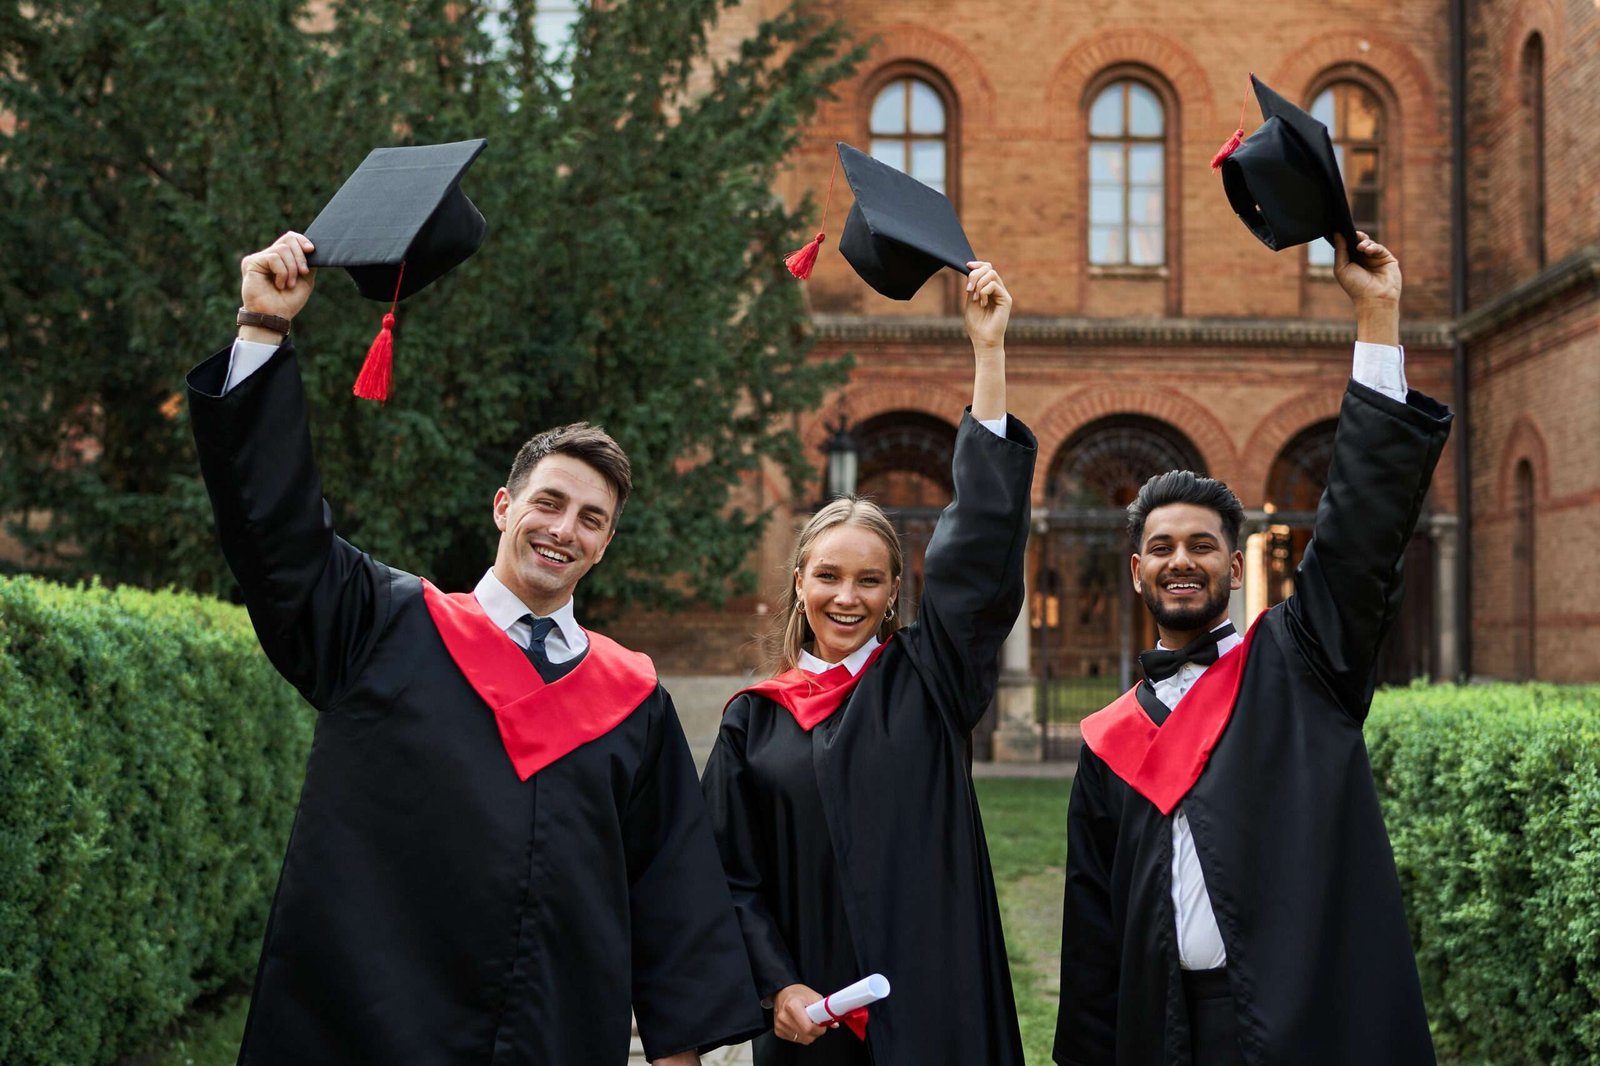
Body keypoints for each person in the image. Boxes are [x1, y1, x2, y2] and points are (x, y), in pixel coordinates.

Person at [187, 229, 764, 1065]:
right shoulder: (379, 624)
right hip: (374, 1029)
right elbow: (273, 533)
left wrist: (678, 1055)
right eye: (549, 502)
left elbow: (673, 892)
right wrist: (262, 331)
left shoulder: (633, 702)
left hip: (551, 1036)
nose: (564, 530)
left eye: (591, 519)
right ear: (503, 507)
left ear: (605, 546)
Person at [1052, 232, 1452, 1066]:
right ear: (1136, 572)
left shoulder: (1302, 666)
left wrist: (1377, 316)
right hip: (1160, 1027)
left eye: (1201, 546)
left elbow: (1358, 537)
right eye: (1161, 548)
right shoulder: (1107, 745)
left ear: (1234, 568)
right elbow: (1092, 939)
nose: (1181, 562)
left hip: (1286, 1019)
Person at [701, 260, 1036, 1065]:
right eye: (827, 576)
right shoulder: (756, 719)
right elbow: (725, 878)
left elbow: (976, 544)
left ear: (894, 595)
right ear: (798, 583)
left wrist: (988, 356)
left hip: (936, 1016)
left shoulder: (928, 682)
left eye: (869, 581)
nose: (845, 597)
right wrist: (775, 988)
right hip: (810, 1027)